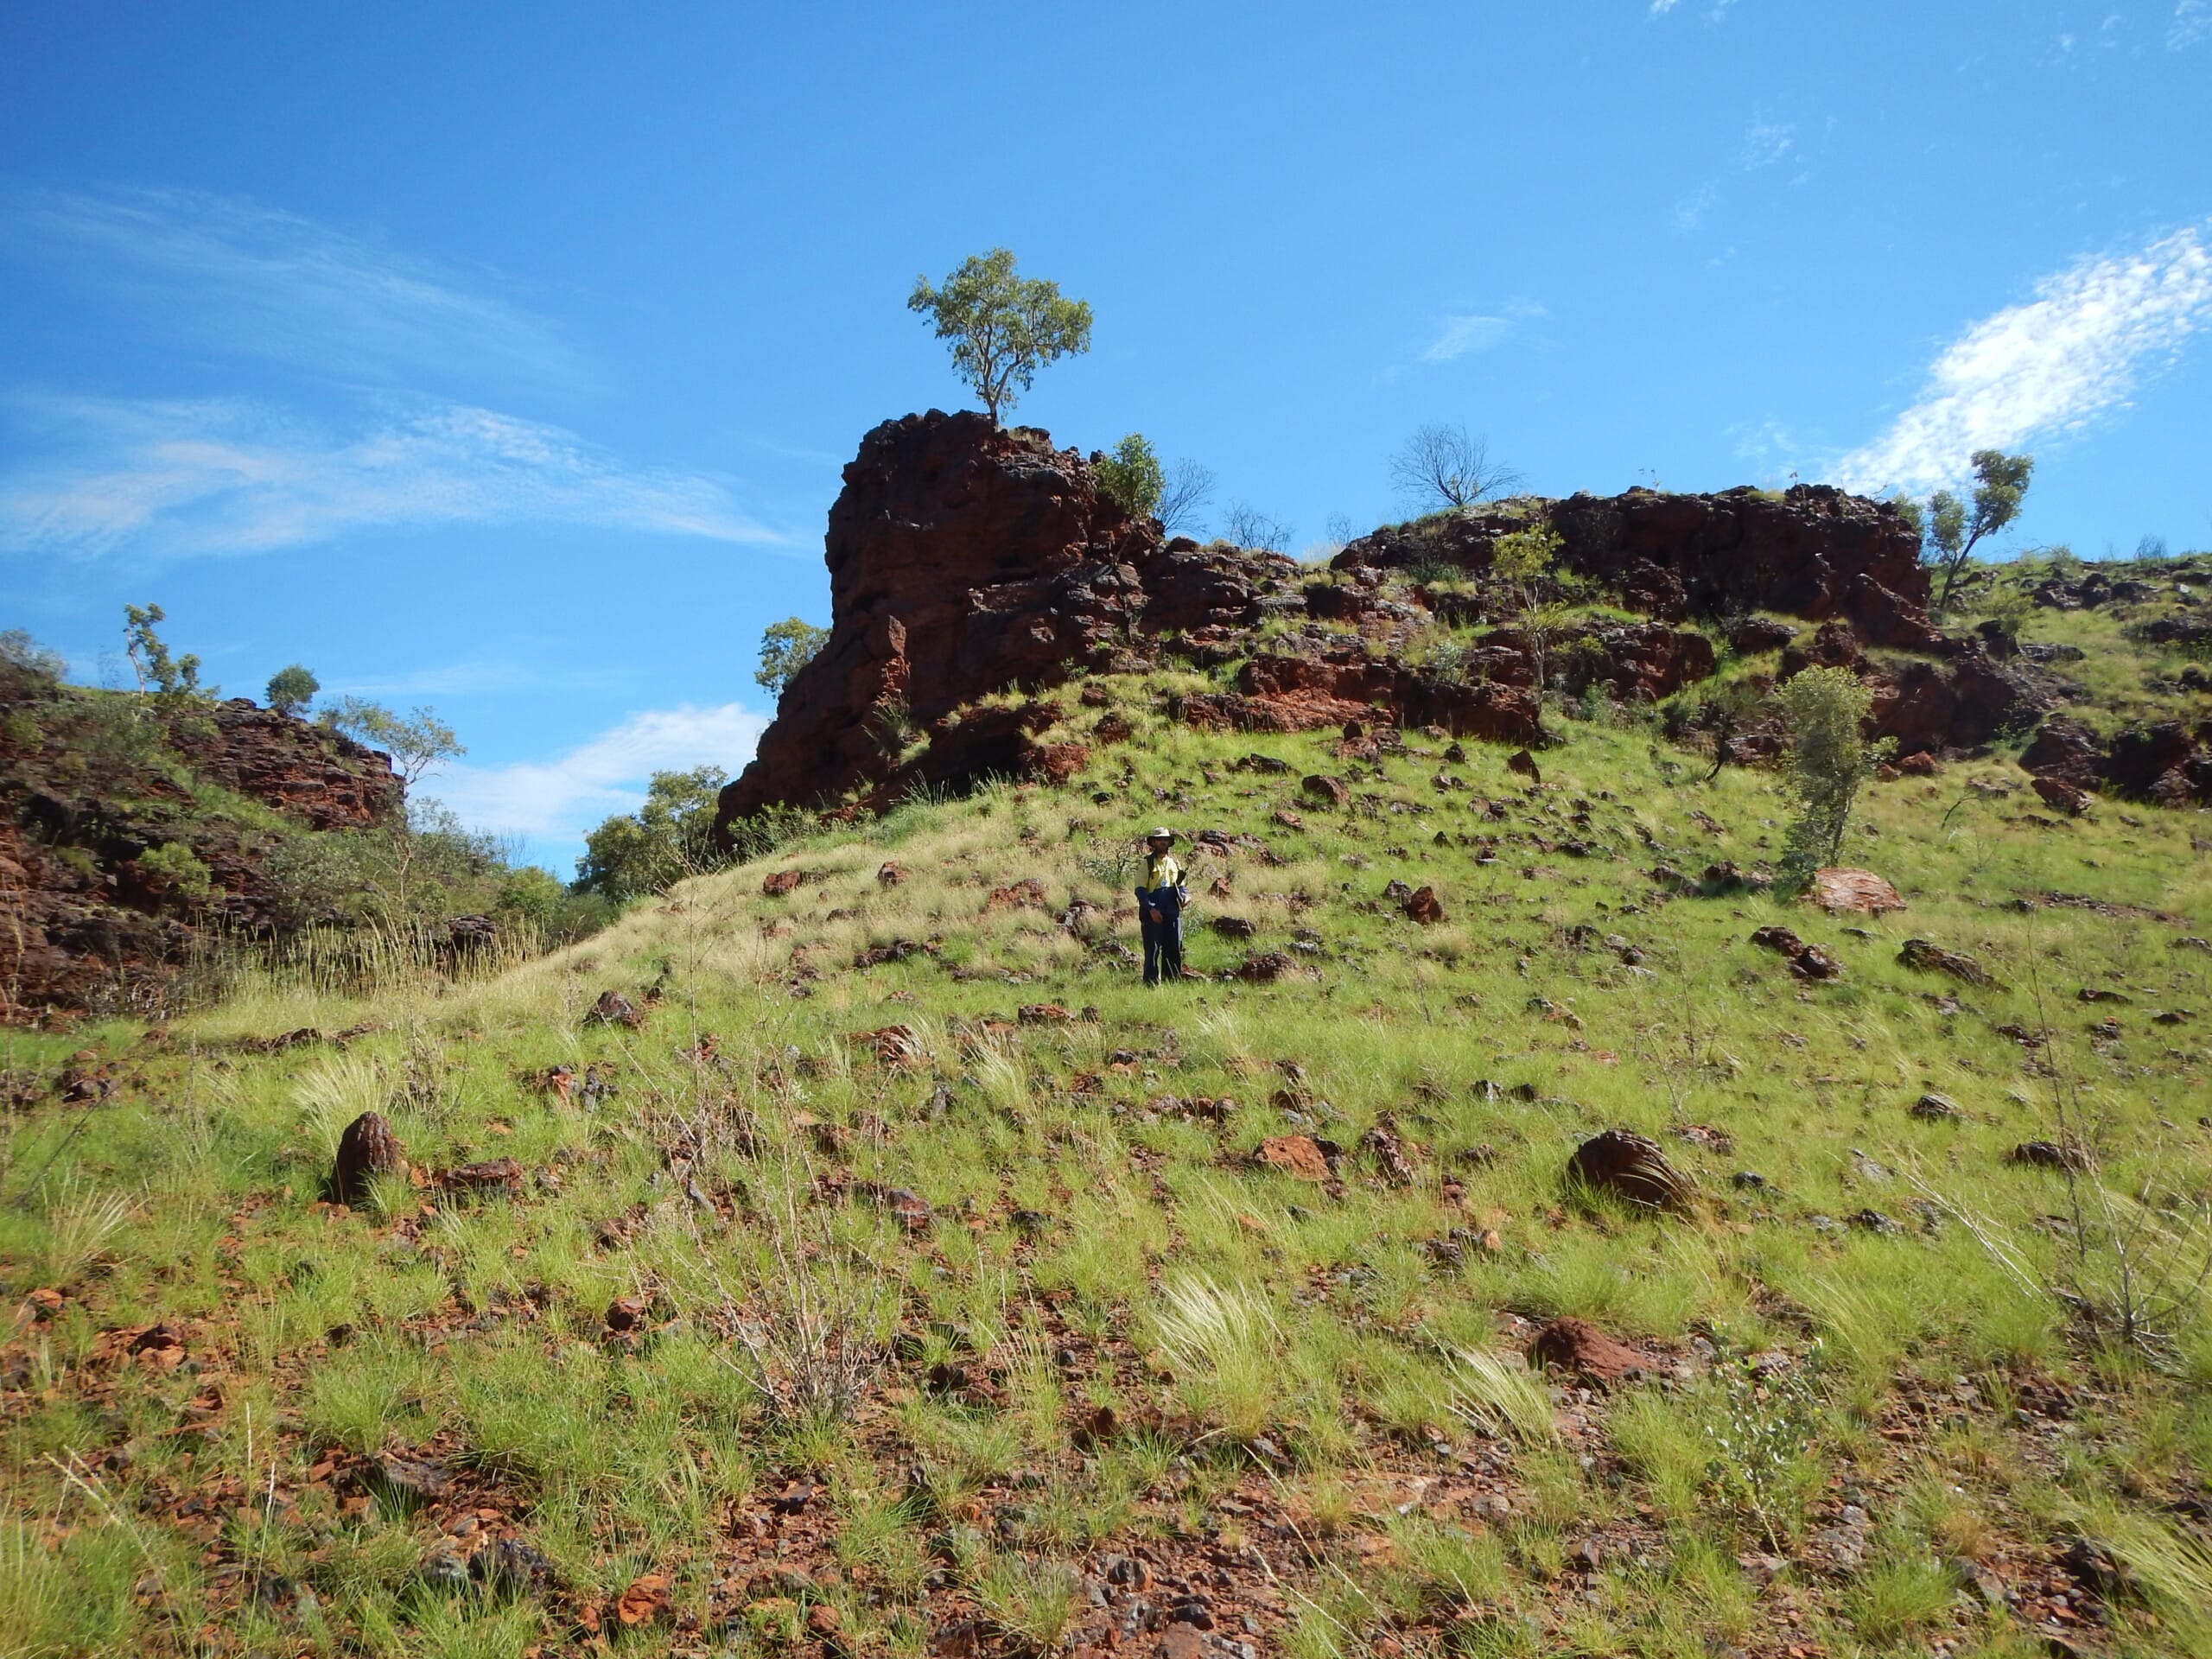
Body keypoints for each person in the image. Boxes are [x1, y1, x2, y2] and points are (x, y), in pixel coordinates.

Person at [1134, 827, 1187, 986]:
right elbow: (1140, 890)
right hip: (1154, 912)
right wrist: (1151, 909)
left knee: (1174, 947)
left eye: (1165, 840)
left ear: (1169, 842)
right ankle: (1150, 984)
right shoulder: (1147, 864)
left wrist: (1186, 897)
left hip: (1172, 910)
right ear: (1153, 843)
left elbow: (1182, 886)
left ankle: (1172, 982)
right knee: (1153, 949)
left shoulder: (1173, 863)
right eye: (1159, 840)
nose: (1162, 842)